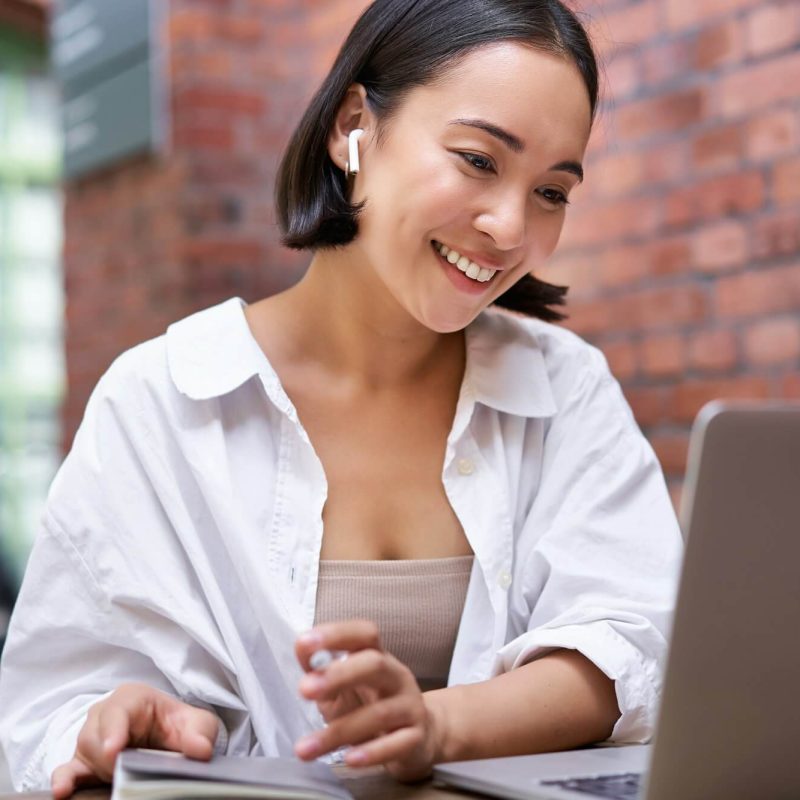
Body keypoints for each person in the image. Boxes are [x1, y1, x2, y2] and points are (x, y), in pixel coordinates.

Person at [0, 0, 683, 796]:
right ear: (352, 125)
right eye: (478, 160)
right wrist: (122, 722)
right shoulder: (162, 401)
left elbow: (634, 647)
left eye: (552, 193)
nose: (509, 227)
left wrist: (436, 727)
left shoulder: (565, 387)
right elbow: (48, 707)